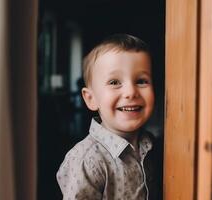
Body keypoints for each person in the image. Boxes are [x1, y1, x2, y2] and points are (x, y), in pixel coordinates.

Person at [56, 34, 162, 200]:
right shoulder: (87, 160)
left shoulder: (150, 145)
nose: (131, 92)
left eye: (141, 81)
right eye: (114, 82)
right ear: (91, 98)